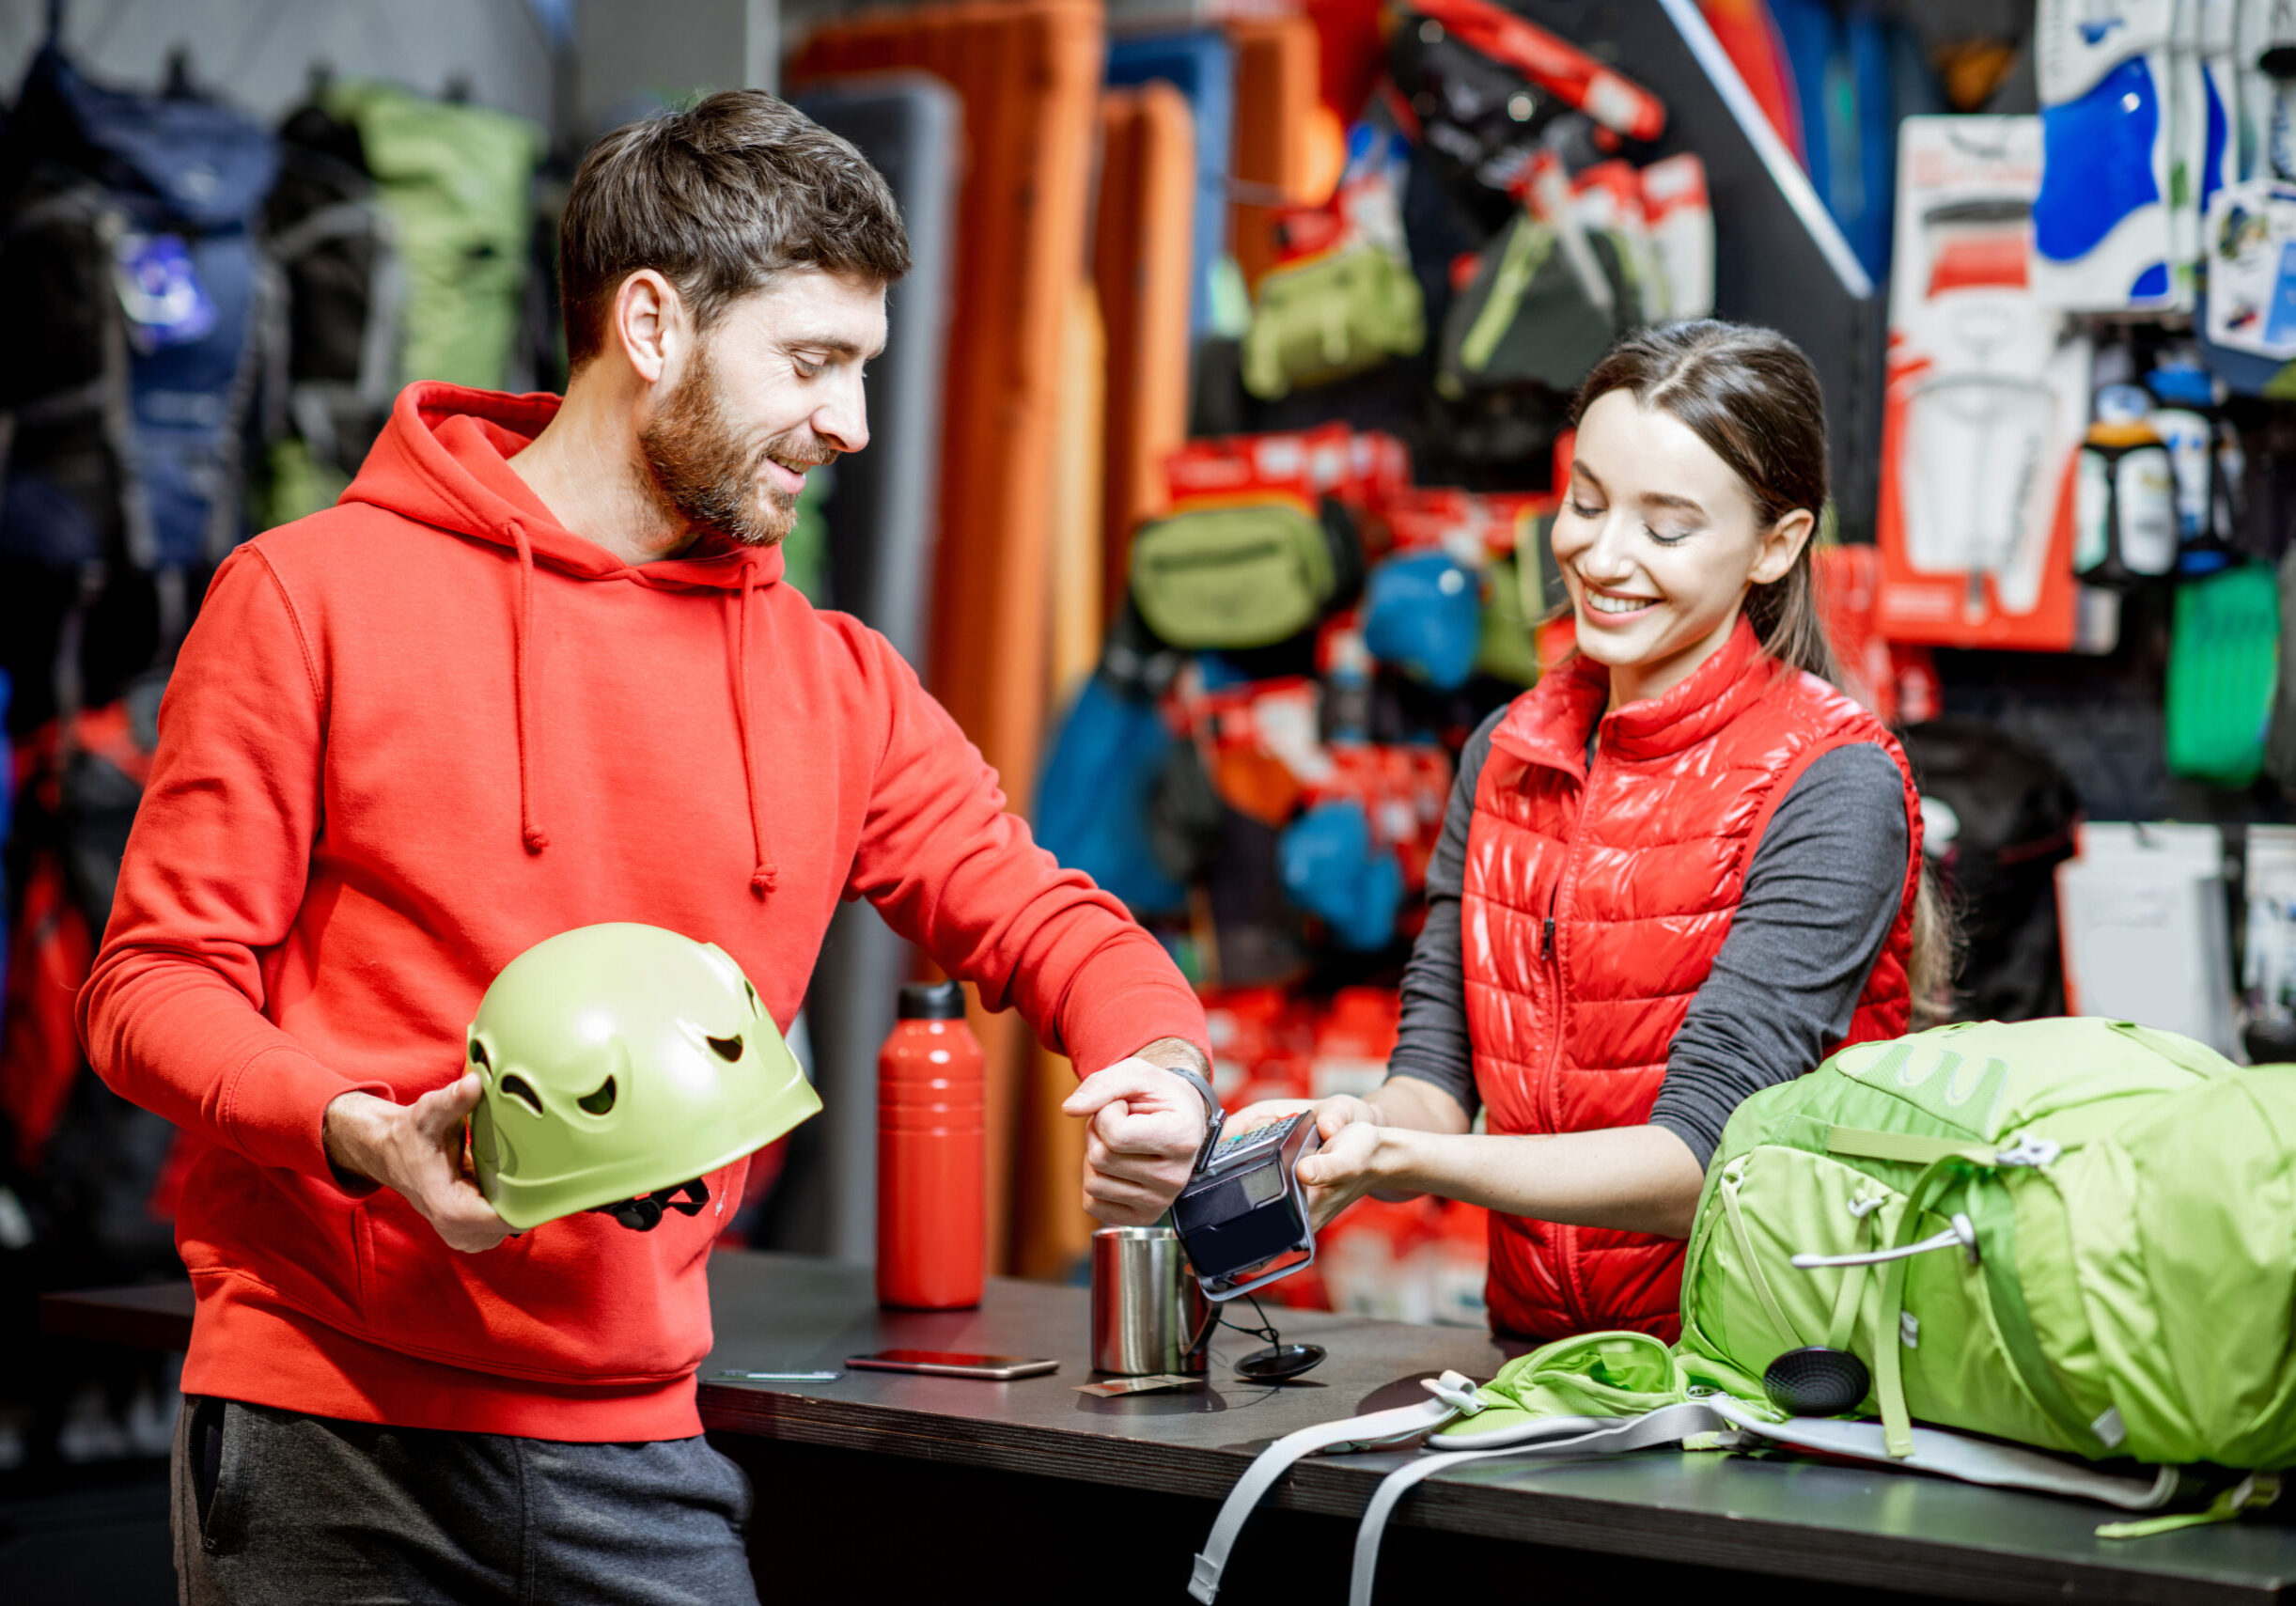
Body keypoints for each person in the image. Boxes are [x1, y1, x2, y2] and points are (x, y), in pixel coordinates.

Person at [78, 92, 1216, 1605]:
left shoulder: (835, 681)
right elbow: (149, 988)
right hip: (326, 1427)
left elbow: (1052, 922)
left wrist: (1161, 1065)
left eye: (861, 369)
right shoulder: (310, 598)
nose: (849, 423)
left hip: (638, 1446)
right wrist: (365, 1131)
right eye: (810, 363)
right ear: (654, 324)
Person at [1272, 320, 1941, 1343]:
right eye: (1585, 502)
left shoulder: (1831, 782)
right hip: (1543, 1361)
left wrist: (1413, 1165)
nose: (1600, 552)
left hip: (1773, 1381)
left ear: (1777, 543)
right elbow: (1435, 1080)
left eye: (1665, 527)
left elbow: (1697, 1161)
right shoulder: (1507, 750)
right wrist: (1354, 1130)